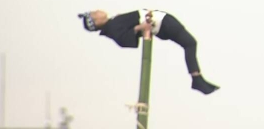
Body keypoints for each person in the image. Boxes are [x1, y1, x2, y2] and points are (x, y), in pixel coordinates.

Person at [77, 8, 219, 95]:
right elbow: (125, 41)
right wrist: (140, 27)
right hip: (161, 23)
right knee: (190, 43)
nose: (98, 11)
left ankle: (197, 78)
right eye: (95, 14)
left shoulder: (112, 24)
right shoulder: (112, 28)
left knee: (190, 43)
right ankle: (196, 79)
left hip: (161, 21)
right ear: (97, 22)